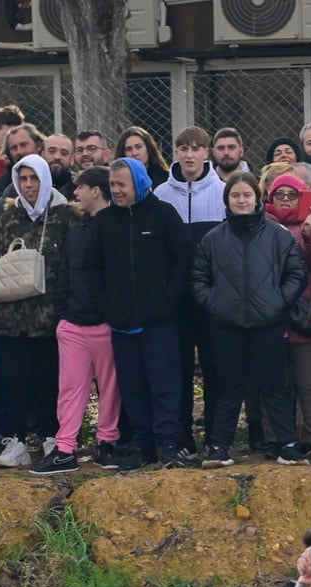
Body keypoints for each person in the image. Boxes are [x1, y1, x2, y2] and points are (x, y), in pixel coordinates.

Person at [192, 171, 305, 467]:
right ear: (227, 199)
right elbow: (198, 279)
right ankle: (219, 447)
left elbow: (296, 274)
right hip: (226, 327)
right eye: (235, 195)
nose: (241, 200)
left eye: (246, 195)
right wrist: (215, 305)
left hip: (269, 324)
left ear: (258, 198)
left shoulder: (279, 236)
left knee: (275, 385)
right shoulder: (212, 239)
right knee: (228, 385)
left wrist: (278, 303)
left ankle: (287, 445)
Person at [90, 158, 194, 468]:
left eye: (122, 184)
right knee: (132, 386)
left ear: (139, 183)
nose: (116, 190)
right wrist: (107, 304)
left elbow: (182, 261)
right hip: (122, 322)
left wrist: (168, 298)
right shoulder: (105, 221)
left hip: (159, 320)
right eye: (113, 185)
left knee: (165, 384)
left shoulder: (163, 215)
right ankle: (143, 444)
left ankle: (168, 442)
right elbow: (93, 268)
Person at [39, 165, 120, 474]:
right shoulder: (76, 231)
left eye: (80, 188)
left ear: (95, 191)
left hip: (107, 325)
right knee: (70, 388)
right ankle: (65, 449)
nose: (75, 193)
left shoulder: (116, 228)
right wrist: (63, 318)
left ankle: (107, 444)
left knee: (110, 388)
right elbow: (64, 277)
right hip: (73, 325)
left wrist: (114, 317)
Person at [0, 154, 69, 464]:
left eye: (34, 178)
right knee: (14, 380)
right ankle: (18, 440)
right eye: (22, 179)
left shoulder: (64, 216)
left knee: (49, 379)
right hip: (12, 316)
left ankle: (51, 436)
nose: (29, 185)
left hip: (48, 317)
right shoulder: (9, 216)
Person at [163, 127, 229, 452]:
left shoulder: (224, 193)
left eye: (196, 148)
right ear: (175, 152)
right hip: (175, 303)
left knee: (216, 369)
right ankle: (182, 437)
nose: (189, 155)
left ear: (207, 153)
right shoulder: (162, 194)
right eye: (183, 148)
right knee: (178, 371)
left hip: (213, 302)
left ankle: (217, 436)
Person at [267, 172, 311, 461]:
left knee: (310, 382)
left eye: (291, 194)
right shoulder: (261, 226)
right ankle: (276, 438)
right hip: (271, 317)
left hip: (309, 317)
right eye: (278, 194)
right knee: (275, 382)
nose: (285, 200)